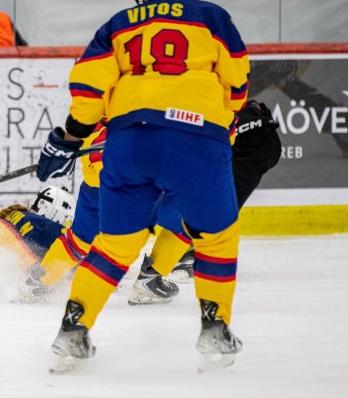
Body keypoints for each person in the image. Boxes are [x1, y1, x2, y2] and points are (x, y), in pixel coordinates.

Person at [36, 0, 250, 373]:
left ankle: (72, 329)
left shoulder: (115, 25)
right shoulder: (211, 17)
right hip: (196, 139)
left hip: (129, 143)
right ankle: (215, 326)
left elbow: (89, 95)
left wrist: (68, 137)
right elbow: (238, 83)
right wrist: (219, 120)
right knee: (216, 237)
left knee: (113, 246)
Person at [22, 100, 280, 300]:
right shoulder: (208, 103)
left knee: (81, 237)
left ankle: (40, 281)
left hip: (101, 171)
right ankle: (151, 279)